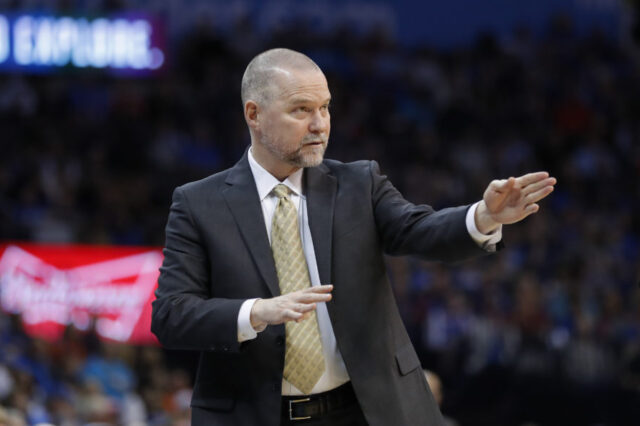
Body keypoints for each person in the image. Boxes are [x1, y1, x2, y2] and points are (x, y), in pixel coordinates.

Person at [151, 48, 556, 426]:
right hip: (257, 414)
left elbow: (419, 230)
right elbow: (170, 315)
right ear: (253, 114)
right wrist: (256, 312)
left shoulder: (359, 183)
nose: (319, 124)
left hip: (366, 410)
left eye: (325, 108)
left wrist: (483, 216)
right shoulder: (197, 203)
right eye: (301, 110)